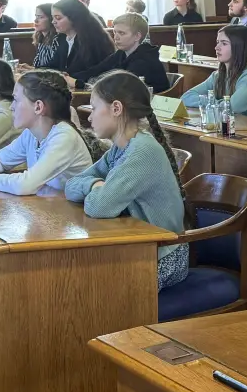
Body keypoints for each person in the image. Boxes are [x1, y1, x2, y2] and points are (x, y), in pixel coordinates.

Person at [67, 71, 190, 290]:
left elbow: (98, 206)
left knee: (90, 287)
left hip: (165, 257)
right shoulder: (120, 148)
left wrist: (97, 189)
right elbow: (72, 186)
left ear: (116, 108)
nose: (89, 116)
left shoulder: (142, 151)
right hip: (141, 247)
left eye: (94, 108)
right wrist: (96, 184)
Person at [0, 70, 95, 196]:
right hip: (49, 209)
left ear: (38, 107)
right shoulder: (31, 134)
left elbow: (25, 185)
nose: (11, 107)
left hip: (74, 213)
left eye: (16, 100)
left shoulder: (64, 137)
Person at [180, 24, 247, 117]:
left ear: (238, 47)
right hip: (230, 127)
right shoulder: (218, 75)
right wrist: (211, 102)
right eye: (217, 42)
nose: (217, 47)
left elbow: (231, 107)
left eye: (224, 43)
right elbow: (186, 97)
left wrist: (209, 103)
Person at [66, 13, 168, 93]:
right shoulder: (121, 53)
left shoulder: (145, 60)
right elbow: (95, 71)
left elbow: (119, 89)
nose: (116, 37)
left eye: (121, 33)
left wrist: (77, 83)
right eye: (115, 32)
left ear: (137, 36)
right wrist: (65, 76)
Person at [51, 0, 115, 79]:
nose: (53, 22)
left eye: (58, 18)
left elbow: (94, 72)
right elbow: (53, 65)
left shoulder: (92, 40)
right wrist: (33, 70)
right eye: (53, 17)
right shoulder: (63, 39)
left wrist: (66, 77)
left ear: (74, 18)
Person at [31, 3, 63, 70]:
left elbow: (53, 68)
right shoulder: (41, 38)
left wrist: (32, 70)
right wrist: (29, 69)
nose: (35, 20)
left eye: (41, 17)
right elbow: (38, 66)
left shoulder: (57, 39)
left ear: (51, 19)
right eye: (36, 16)